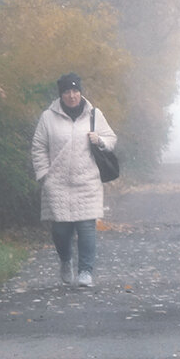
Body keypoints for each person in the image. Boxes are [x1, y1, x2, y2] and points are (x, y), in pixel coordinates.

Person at [30, 72, 117, 288]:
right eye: (67, 91)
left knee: (87, 227)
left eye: (75, 90)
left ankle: (86, 271)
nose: (72, 95)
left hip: (87, 180)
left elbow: (111, 139)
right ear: (61, 94)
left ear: (81, 92)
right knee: (61, 230)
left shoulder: (94, 115)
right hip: (57, 182)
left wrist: (100, 141)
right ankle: (65, 260)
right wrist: (44, 174)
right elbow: (38, 146)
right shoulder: (48, 118)